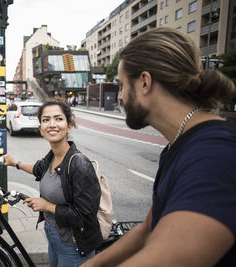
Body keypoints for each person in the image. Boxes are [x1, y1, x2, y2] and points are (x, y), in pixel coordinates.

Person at [81, 27, 236, 267]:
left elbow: (170, 258)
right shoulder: (175, 147)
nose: (120, 96)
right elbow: (148, 228)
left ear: (144, 82)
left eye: (122, 85)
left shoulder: (214, 154)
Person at [2, 97, 103, 267]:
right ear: (40, 128)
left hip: (74, 245)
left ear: (69, 125)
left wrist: (47, 206)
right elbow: (38, 168)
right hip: (53, 237)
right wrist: (15, 164)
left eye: (58, 119)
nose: (52, 124)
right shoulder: (52, 157)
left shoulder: (79, 163)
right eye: (46, 120)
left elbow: (85, 216)